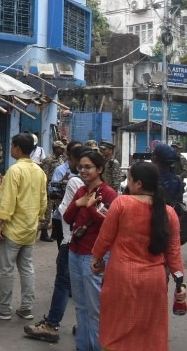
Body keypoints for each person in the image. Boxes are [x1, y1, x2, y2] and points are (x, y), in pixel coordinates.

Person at [91, 162, 186, 351]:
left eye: (130, 179)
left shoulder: (122, 203)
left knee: (117, 332)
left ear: (139, 184)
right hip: (154, 282)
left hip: (122, 278)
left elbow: (105, 238)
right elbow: (174, 253)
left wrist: (97, 260)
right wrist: (181, 284)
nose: (128, 182)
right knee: (149, 333)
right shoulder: (169, 213)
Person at [24, 145, 86, 343]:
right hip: (88, 244)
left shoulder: (75, 182)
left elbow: (66, 212)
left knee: (63, 283)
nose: (83, 169)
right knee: (84, 286)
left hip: (71, 241)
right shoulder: (100, 187)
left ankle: (51, 325)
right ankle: (86, 325)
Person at [0, 133, 47, 321]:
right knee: (27, 268)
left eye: (12, 145)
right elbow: (43, 201)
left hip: (12, 228)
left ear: (18, 148)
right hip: (30, 228)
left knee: (6, 269)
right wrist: (39, 221)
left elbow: (7, 200)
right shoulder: (39, 171)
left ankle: (4, 309)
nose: (10, 149)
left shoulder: (15, 170)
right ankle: (26, 308)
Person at [62, 149, 117, 351]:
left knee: (95, 308)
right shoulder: (81, 191)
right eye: (81, 167)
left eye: (88, 167)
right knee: (80, 305)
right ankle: (82, 346)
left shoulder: (109, 193)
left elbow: (110, 224)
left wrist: (92, 207)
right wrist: (79, 203)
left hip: (94, 256)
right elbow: (67, 218)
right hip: (75, 253)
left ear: (99, 169)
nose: (83, 170)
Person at [38, 140, 65, 242]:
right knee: (47, 211)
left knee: (58, 211)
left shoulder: (61, 160)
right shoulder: (48, 160)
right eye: (60, 148)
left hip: (58, 190)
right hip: (49, 189)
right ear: (55, 149)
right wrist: (45, 190)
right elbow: (44, 175)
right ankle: (44, 233)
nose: (62, 150)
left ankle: (55, 232)